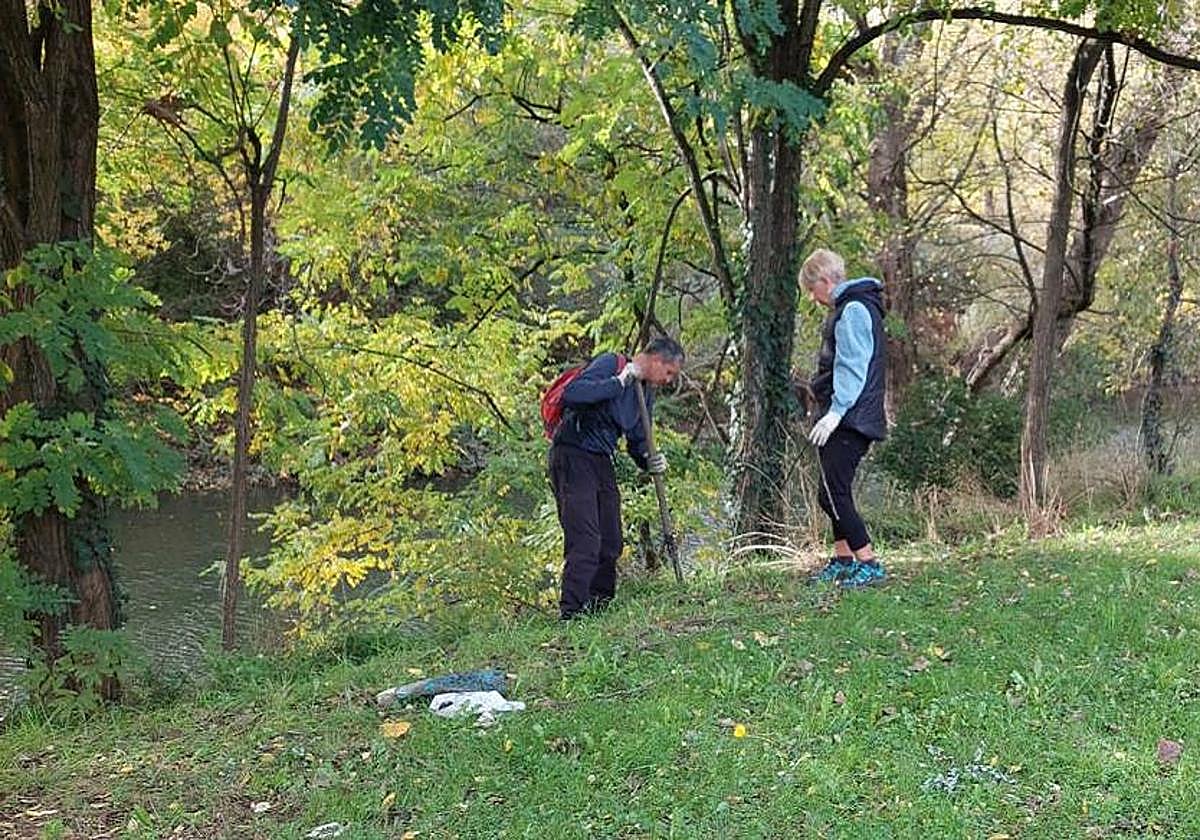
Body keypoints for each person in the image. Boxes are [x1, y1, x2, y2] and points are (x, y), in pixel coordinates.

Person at [548, 337, 685, 619]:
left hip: (601, 459)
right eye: (669, 372)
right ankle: (572, 613)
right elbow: (574, 394)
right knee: (585, 539)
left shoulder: (644, 394)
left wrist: (649, 460)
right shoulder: (613, 364)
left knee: (611, 540)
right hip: (573, 454)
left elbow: (636, 440)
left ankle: (598, 609)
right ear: (656, 360)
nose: (669, 381)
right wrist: (619, 381)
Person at [801, 249, 888, 588]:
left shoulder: (852, 309)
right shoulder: (855, 306)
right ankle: (842, 560)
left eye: (812, 289)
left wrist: (836, 413)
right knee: (833, 488)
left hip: (851, 417)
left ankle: (868, 563)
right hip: (846, 414)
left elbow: (852, 366)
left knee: (831, 493)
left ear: (825, 280)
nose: (813, 298)